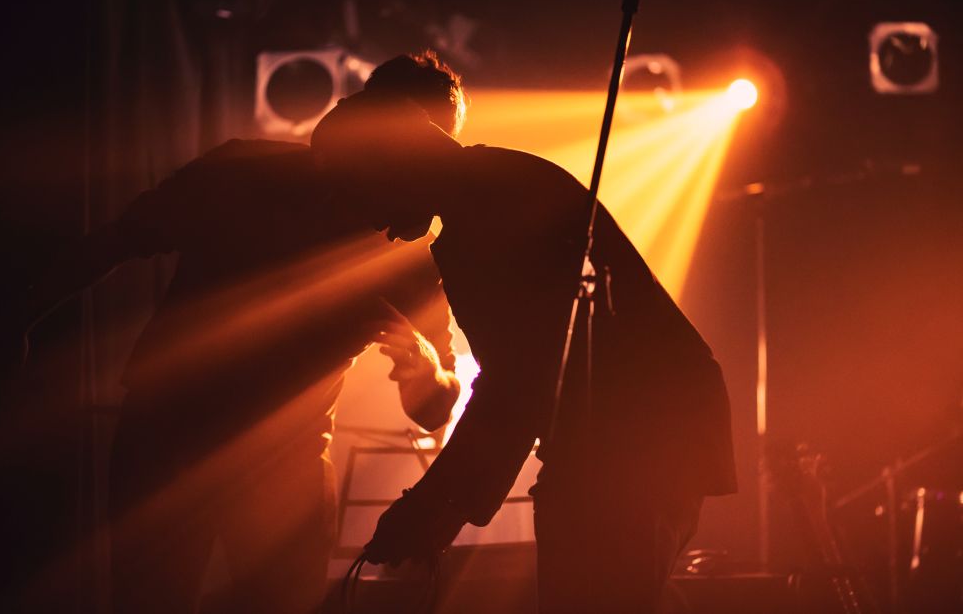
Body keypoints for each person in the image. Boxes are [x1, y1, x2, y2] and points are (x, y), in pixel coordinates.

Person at [16, 53, 465, 613]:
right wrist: (21, 317)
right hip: (169, 440)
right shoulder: (243, 171)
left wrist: (426, 366)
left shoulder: (412, 254)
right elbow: (119, 239)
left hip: (268, 464)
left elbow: (434, 410)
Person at [312, 85, 738, 613]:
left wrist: (436, 504)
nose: (373, 221)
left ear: (388, 159)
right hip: (632, 437)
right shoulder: (496, 190)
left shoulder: (491, 214)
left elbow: (519, 381)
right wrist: (443, 503)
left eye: (360, 191)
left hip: (634, 440)